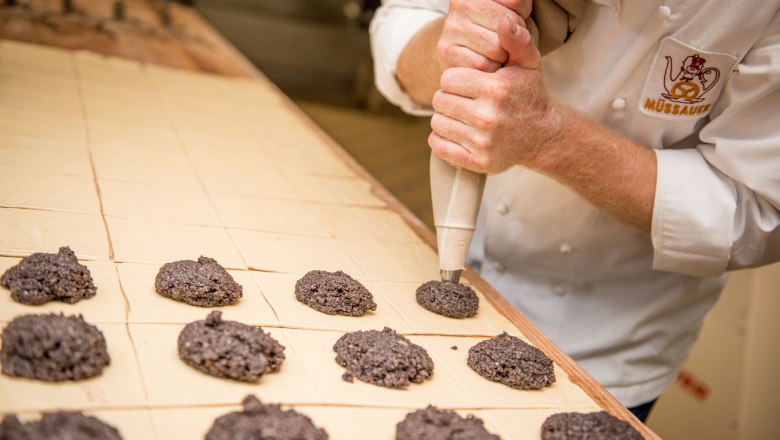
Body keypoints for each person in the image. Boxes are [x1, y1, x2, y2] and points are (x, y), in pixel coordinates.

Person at [369, 0, 780, 422]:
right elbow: (403, 21)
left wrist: (548, 138)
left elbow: (756, 212)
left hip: (611, 342)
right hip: (473, 276)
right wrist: (452, 48)